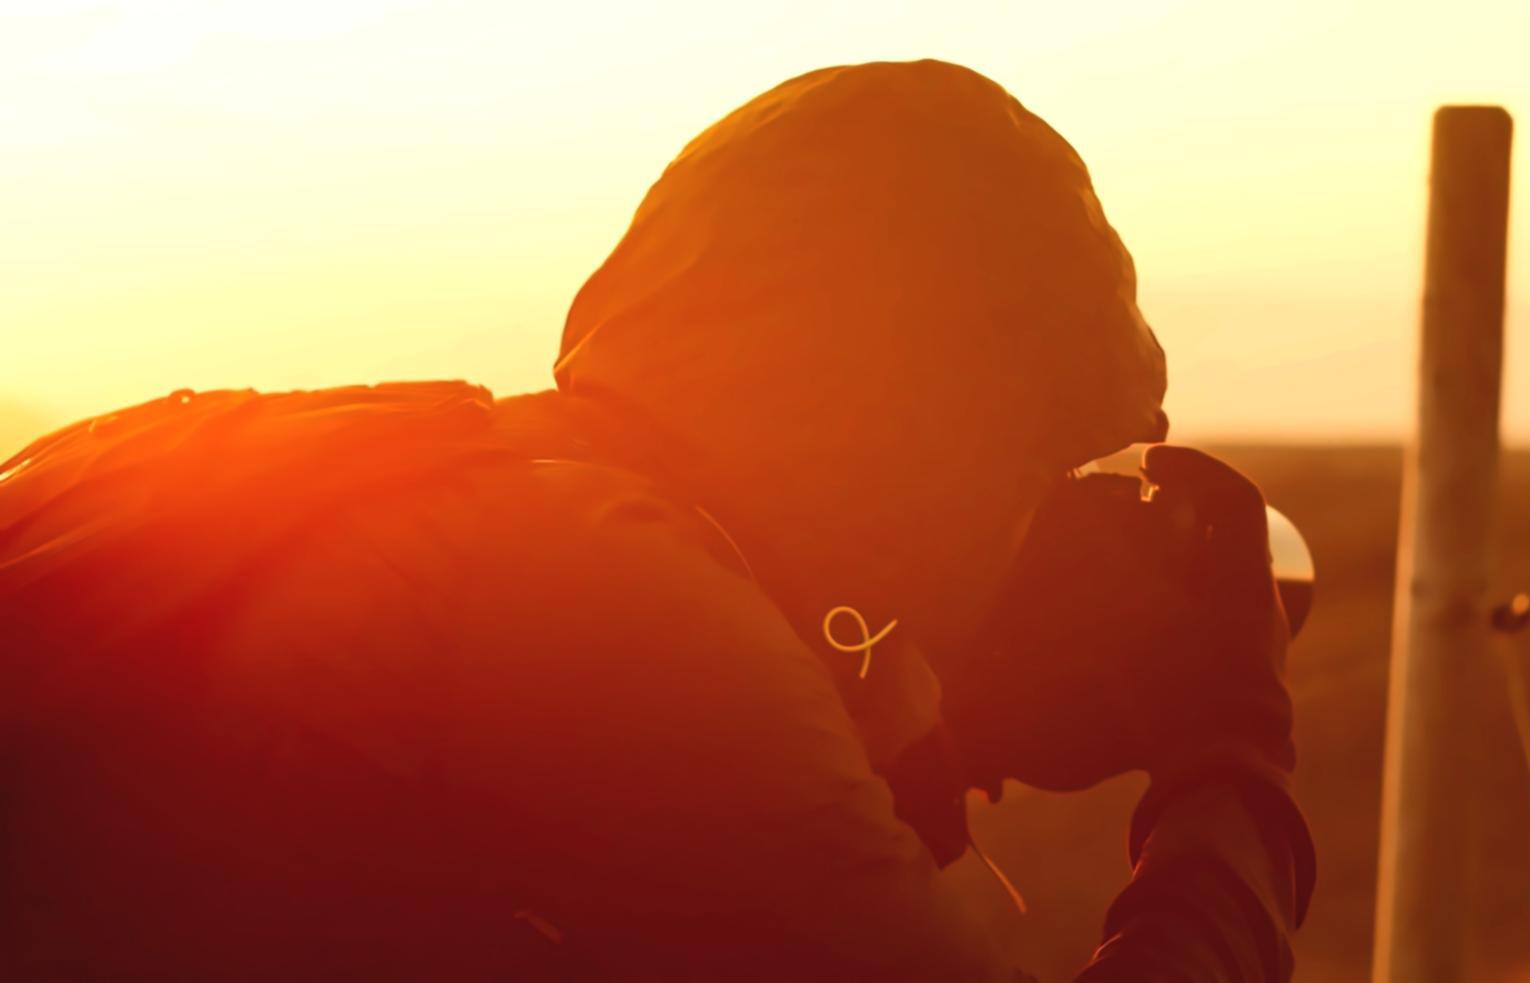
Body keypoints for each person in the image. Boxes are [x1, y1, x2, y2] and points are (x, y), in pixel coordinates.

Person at [0, 59, 1312, 979]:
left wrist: (925, 723)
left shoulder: (449, 482)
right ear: (930, 428)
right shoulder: (614, 602)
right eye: (1039, 463)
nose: (1039, 522)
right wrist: (1228, 756)